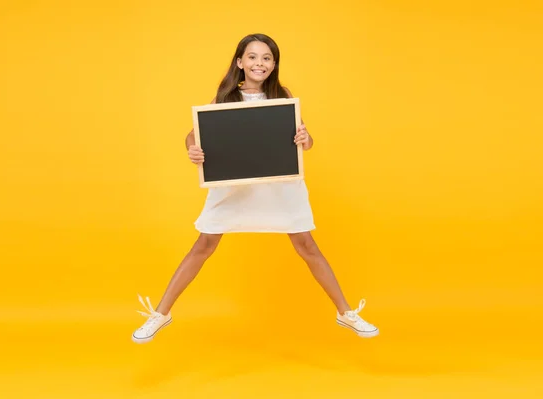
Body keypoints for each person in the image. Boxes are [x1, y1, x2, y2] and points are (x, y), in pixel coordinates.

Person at [132, 33, 379, 343]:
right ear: (240, 62)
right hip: (235, 187)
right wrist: (193, 149)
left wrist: (306, 139)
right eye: (252, 57)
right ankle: (161, 313)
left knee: (306, 245)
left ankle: (345, 313)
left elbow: (307, 140)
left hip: (279, 186)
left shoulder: (283, 97)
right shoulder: (226, 99)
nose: (259, 63)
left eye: (266, 58)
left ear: (273, 64)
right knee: (204, 245)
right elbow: (192, 135)